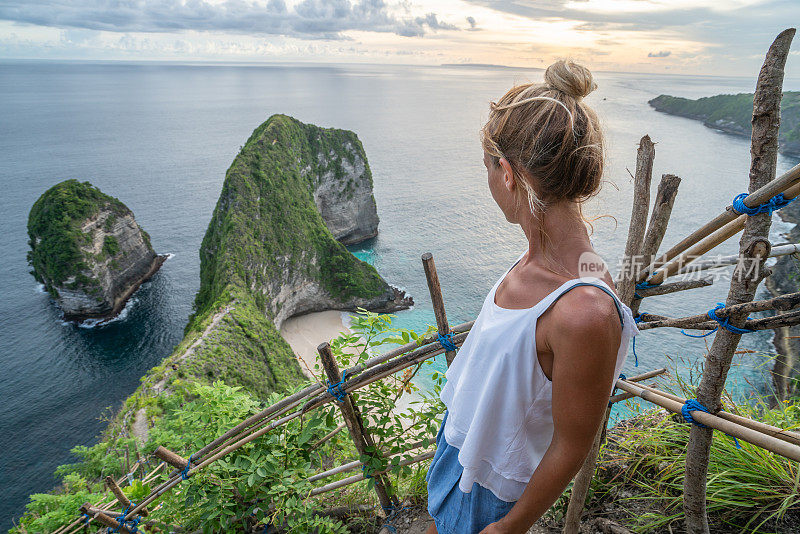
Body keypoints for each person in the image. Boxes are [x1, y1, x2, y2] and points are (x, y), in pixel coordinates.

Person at [425, 60, 639, 534]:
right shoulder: (534, 262)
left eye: (486, 168)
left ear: (506, 173)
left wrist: (511, 526)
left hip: (491, 493)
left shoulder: (583, 312)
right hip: (461, 449)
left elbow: (572, 442)